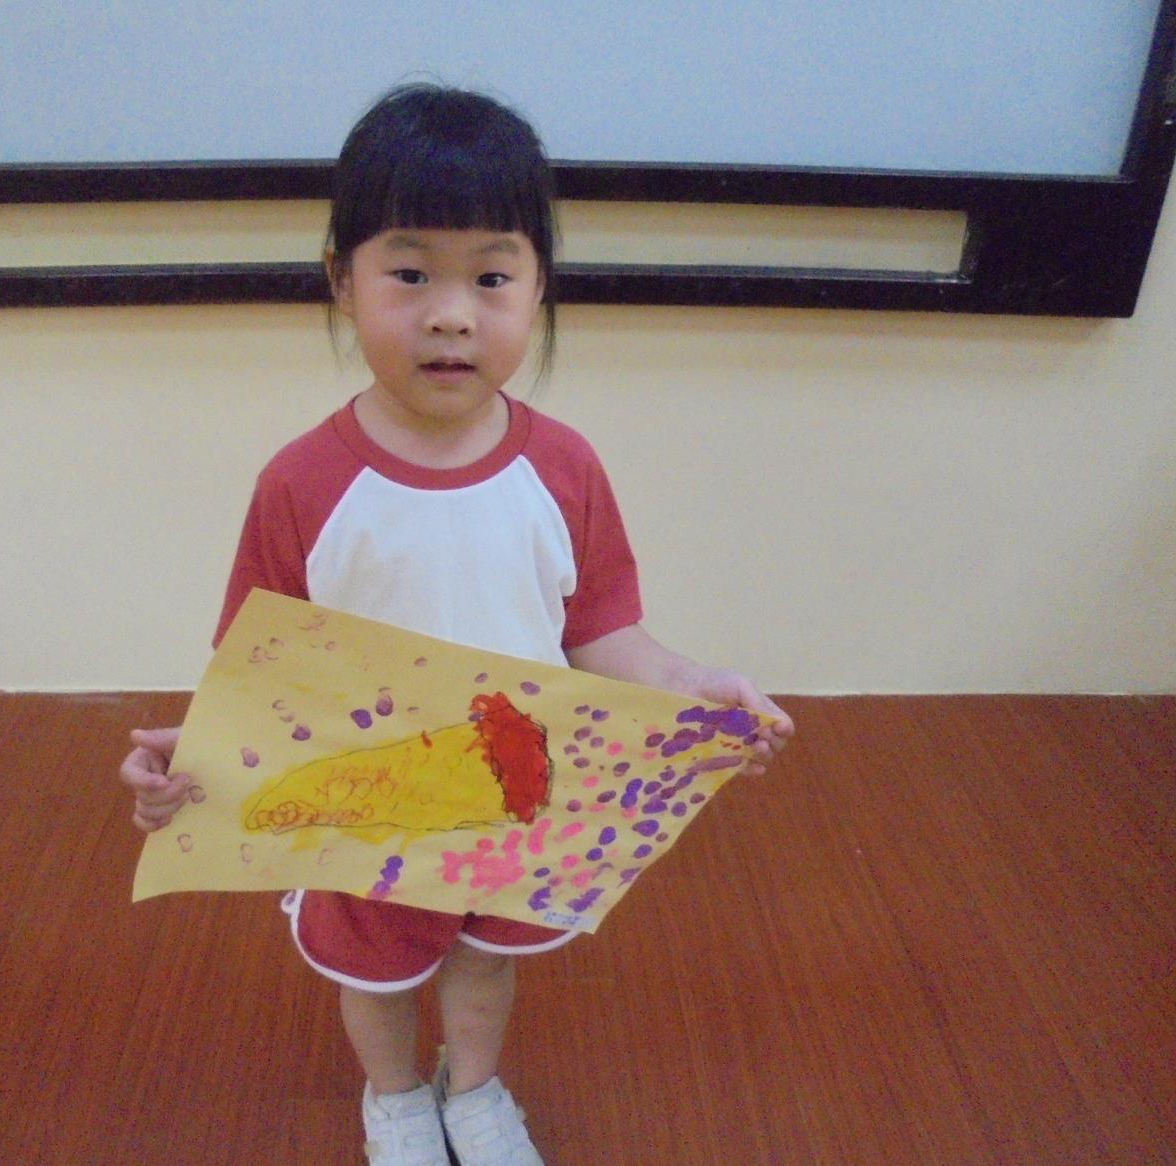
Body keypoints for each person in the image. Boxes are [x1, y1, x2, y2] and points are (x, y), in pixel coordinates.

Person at [120, 82, 793, 1166]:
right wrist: (189, 757)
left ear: (538, 287)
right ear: (340, 279)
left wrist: (688, 685)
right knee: (376, 974)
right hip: (368, 806)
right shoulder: (302, 483)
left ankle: (472, 1090)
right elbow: (262, 676)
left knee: (485, 962)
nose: (450, 314)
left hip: (517, 793)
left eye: (490, 276)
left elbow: (604, 635)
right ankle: (394, 1099)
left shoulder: (563, 468)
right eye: (408, 273)